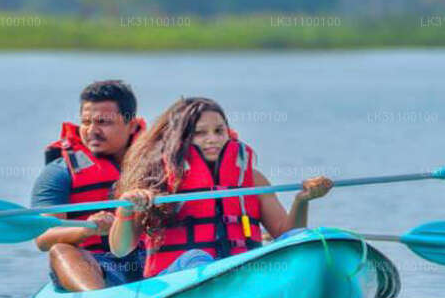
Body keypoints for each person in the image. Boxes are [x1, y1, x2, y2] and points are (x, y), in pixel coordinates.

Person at [109, 96, 333, 277]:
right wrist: (127, 207)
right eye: (200, 133)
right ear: (179, 138)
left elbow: (288, 235)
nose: (212, 139)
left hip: (241, 274)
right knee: (197, 258)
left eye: (219, 131)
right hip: (175, 280)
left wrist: (302, 201)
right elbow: (120, 248)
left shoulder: (252, 180)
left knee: (306, 239)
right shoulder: (157, 181)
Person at [32, 80, 146, 291]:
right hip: (96, 265)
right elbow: (43, 238)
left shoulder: (159, 164)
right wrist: (88, 229)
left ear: (131, 125)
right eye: (86, 122)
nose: (92, 131)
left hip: (152, 261)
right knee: (60, 249)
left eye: (103, 122)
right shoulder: (58, 173)